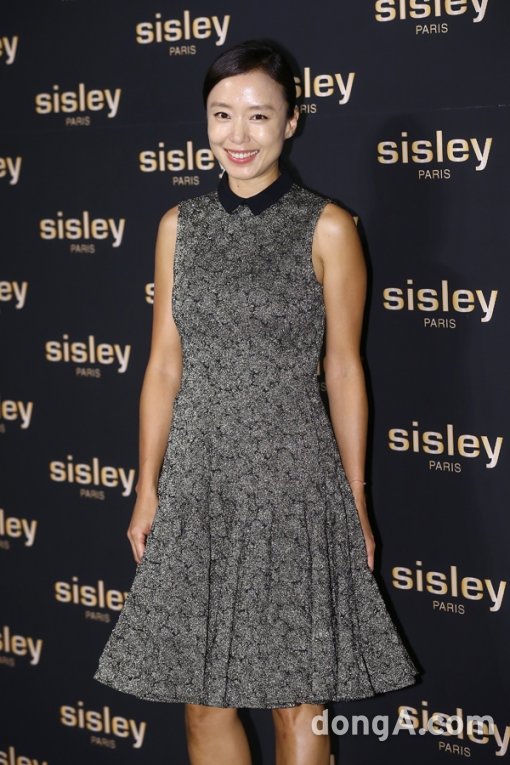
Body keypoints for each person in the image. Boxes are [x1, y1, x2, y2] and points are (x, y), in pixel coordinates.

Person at [94, 39, 419, 765]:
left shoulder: (328, 227)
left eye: (259, 116)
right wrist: (147, 488)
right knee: (203, 703)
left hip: (293, 483)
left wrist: (356, 499)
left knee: (298, 701)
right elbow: (163, 366)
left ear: (291, 122)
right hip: (199, 482)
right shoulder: (177, 227)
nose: (237, 135)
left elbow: (344, 369)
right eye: (221, 115)